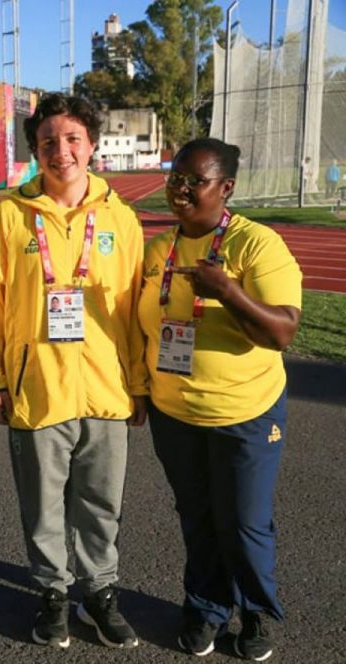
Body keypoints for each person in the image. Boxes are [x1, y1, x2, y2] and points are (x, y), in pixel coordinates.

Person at [0, 93, 147, 650]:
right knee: (43, 505)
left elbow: (136, 308)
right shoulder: (7, 215)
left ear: (91, 144)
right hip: (37, 386)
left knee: (101, 502)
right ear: (35, 150)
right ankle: (53, 592)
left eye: (72, 139)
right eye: (49, 142)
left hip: (107, 389)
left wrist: (138, 383)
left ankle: (100, 591)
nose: (61, 151)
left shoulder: (121, 218)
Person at [140, 138, 301, 660]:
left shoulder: (257, 245)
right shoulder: (158, 250)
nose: (180, 190)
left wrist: (228, 291)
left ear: (226, 188)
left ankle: (257, 613)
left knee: (243, 520)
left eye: (196, 181)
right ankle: (207, 607)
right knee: (198, 515)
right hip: (175, 412)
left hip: (244, 412)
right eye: (175, 178)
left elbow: (282, 333)